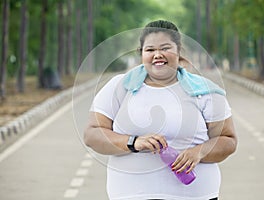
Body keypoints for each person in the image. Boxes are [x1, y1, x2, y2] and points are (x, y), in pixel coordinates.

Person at [84, 20, 237, 200]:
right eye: (150, 50)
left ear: (179, 52)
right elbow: (92, 134)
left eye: (165, 48)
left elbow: (228, 140)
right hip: (131, 195)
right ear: (141, 54)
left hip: (195, 196)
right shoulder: (119, 86)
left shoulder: (205, 90)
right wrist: (133, 142)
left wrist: (199, 152)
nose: (157, 55)